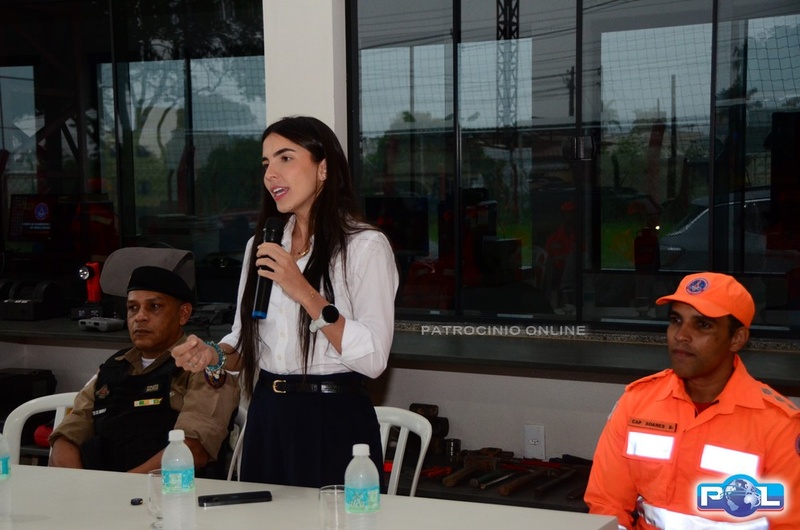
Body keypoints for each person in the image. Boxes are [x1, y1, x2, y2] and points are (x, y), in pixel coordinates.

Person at [171, 116, 399, 488]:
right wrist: (211, 354)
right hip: (268, 416)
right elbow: (244, 340)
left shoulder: (365, 246)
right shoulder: (261, 245)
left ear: (323, 168)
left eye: (285, 158)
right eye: (266, 163)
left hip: (333, 418)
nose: (271, 174)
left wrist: (303, 290)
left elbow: (373, 359)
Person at [585, 272, 799, 530]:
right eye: (676, 320)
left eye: (703, 325)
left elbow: (791, 523)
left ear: (737, 339)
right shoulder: (637, 403)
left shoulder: (779, 425)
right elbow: (607, 504)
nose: (681, 335)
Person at [48, 265, 240, 474]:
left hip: (171, 490)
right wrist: (79, 484)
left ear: (183, 314)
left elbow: (193, 451)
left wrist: (117, 487)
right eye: (133, 308)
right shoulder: (113, 367)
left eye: (154, 306)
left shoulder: (202, 367)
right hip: (99, 487)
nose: (140, 317)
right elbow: (68, 436)